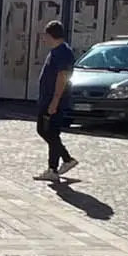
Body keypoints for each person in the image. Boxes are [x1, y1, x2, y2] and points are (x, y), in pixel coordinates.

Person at [33, 19, 79, 182]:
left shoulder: (63, 52)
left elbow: (62, 77)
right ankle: (55, 167)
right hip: (48, 98)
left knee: (46, 131)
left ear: (50, 35)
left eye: (45, 35)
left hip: (54, 100)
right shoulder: (56, 50)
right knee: (51, 133)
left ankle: (64, 161)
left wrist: (55, 101)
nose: (44, 39)